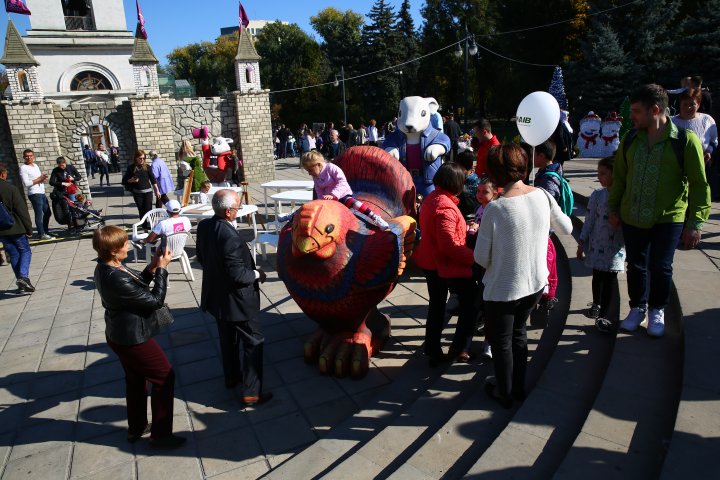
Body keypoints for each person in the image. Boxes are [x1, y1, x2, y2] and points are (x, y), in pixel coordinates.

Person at [474, 144, 572, 408]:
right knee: (519, 334)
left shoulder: (496, 208)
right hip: (535, 282)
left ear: (494, 174)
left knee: (502, 340)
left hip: (504, 288)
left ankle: (504, 392)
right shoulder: (541, 194)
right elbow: (567, 226)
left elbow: (481, 257)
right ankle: (517, 387)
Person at [609, 84, 710, 337]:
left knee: (662, 266)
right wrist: (613, 207)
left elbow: (699, 184)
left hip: (668, 217)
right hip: (633, 215)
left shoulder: (685, 141)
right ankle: (637, 307)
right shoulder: (631, 138)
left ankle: (657, 310)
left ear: (655, 110)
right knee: (636, 265)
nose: (631, 116)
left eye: (636, 111)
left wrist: (695, 223)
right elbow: (619, 177)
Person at [92, 225, 185, 448]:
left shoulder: (109, 266)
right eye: (124, 244)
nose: (128, 246)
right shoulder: (114, 277)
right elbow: (154, 301)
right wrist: (163, 270)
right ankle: (161, 435)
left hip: (119, 334)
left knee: (135, 380)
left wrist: (153, 266)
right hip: (132, 339)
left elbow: (137, 287)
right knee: (164, 376)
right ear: (113, 251)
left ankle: (137, 427)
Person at [195, 189, 272, 406]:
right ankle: (251, 392)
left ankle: (232, 377)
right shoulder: (229, 235)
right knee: (253, 342)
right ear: (228, 211)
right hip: (238, 301)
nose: (239, 211)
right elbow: (239, 275)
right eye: (237, 208)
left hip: (217, 297)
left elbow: (202, 257)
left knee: (227, 340)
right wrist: (259, 274)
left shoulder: (204, 226)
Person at [414, 162, 477, 366]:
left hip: (431, 260)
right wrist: (474, 257)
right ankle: (457, 347)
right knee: (471, 302)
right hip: (443, 265)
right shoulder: (445, 207)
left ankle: (432, 348)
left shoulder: (433, 198)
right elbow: (448, 246)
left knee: (437, 305)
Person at [577, 156, 626, 333]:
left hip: (615, 247)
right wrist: (582, 240)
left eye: (603, 173)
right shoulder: (597, 195)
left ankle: (605, 315)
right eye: (598, 173)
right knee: (597, 276)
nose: (600, 177)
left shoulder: (623, 196)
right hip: (597, 245)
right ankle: (596, 303)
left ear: (615, 173)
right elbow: (589, 220)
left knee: (610, 278)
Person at [288, 151, 389, 230]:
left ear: (318, 165)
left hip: (342, 195)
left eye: (310, 170)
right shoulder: (316, 176)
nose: (310, 173)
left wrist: (333, 194)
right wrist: (321, 201)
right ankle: (293, 216)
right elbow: (319, 191)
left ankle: (375, 217)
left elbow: (342, 183)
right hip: (329, 200)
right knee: (313, 208)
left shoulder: (331, 168)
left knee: (354, 203)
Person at [530, 139, 563, 326]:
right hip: (544, 228)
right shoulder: (547, 173)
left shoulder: (548, 179)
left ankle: (545, 300)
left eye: (535, 154)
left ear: (542, 155)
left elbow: (545, 204)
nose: (532, 158)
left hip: (543, 229)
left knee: (545, 264)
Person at [0, 163, 35, 293]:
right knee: (25, 251)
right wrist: (29, 228)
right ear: (3, 174)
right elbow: (21, 210)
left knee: (13, 253)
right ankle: (23, 278)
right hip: (16, 227)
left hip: (2, 230)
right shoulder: (10, 189)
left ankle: (21, 281)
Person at [671, 88, 717, 171]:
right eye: (685, 104)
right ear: (680, 104)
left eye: (692, 104)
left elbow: (714, 140)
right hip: (676, 168)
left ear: (698, 104)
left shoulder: (706, 119)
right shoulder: (671, 122)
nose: (688, 107)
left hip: (702, 166)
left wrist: (709, 151)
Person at [19, 149, 54, 240]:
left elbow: (37, 178)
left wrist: (42, 179)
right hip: (34, 193)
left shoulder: (35, 165)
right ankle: (41, 234)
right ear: (24, 157)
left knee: (47, 212)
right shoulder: (23, 168)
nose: (29, 157)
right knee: (39, 214)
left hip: (41, 192)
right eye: (27, 156)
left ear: (33, 157)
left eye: (30, 155)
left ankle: (45, 231)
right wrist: (39, 179)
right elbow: (26, 183)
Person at [122, 150, 160, 224]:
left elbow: (153, 180)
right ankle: (144, 226)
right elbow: (124, 181)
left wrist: (157, 190)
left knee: (149, 210)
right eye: (140, 158)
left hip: (148, 192)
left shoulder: (147, 167)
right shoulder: (131, 168)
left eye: (144, 158)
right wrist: (132, 180)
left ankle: (152, 224)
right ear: (136, 158)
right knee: (141, 210)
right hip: (137, 193)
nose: (142, 160)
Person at [455, 150, 480, 217]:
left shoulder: (454, 178)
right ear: (472, 166)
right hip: (475, 213)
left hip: (458, 212)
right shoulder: (477, 179)